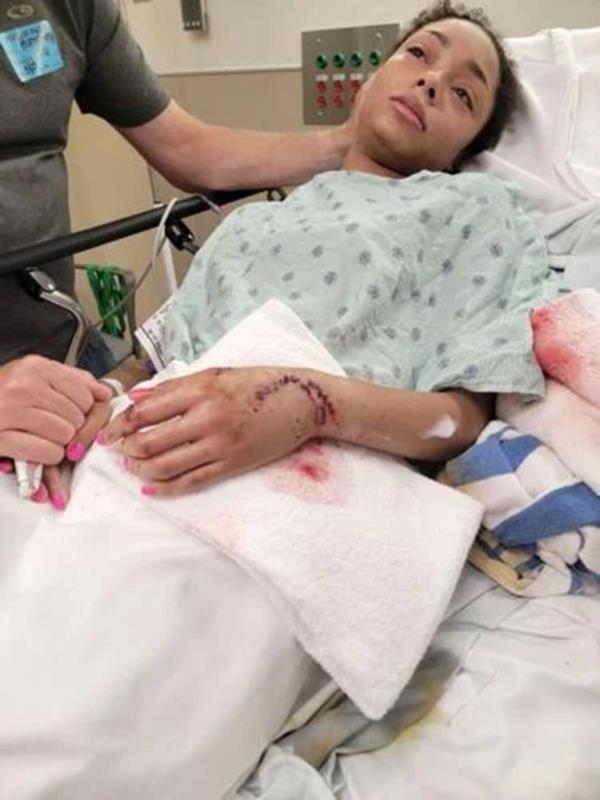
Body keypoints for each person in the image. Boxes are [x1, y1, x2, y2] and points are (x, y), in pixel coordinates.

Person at [25, 2, 562, 505]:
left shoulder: (476, 209)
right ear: (370, 80)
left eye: (465, 94)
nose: (432, 80)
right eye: (419, 54)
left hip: (325, 479)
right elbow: (151, 361)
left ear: (462, 154)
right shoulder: (254, 222)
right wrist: (90, 402)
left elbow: (462, 418)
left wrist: (311, 404)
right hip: (160, 451)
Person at [0, 0, 352, 486]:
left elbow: (188, 148)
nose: (428, 85)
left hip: (70, 361)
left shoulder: (71, 9)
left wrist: (347, 145)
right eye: (417, 55)